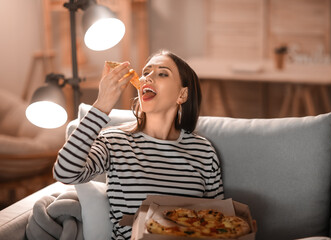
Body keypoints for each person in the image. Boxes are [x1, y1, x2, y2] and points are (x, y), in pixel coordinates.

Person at [53, 50, 224, 240]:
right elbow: (65, 172)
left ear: (182, 94)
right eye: (146, 72)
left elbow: (218, 220)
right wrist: (101, 106)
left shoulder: (204, 151)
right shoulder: (114, 140)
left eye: (162, 73)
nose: (147, 78)